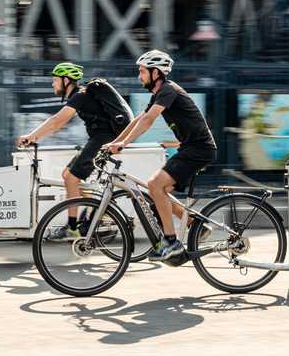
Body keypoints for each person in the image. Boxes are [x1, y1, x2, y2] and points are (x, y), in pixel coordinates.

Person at [105, 50, 216, 261]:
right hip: (190, 148)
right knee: (157, 191)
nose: (140, 76)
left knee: (155, 186)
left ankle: (172, 243)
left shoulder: (168, 90)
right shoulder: (160, 93)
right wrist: (114, 142)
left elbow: (149, 121)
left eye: (142, 71)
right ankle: (195, 225)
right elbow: (139, 119)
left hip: (198, 149)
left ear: (156, 73)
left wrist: (124, 144)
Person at [16, 62, 130, 239]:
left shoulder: (80, 96)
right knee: (68, 175)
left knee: (71, 177)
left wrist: (31, 136)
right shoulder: (81, 96)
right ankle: (102, 210)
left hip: (104, 139)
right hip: (100, 139)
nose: (53, 84)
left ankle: (73, 227)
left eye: (55, 80)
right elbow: (57, 123)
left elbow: (57, 121)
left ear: (66, 80)